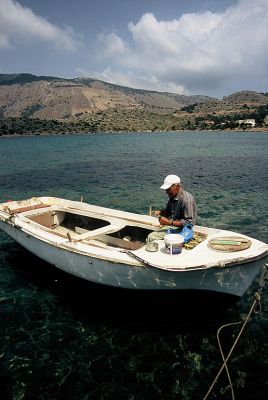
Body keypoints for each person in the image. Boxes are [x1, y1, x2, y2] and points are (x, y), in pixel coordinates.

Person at [147, 174, 197, 242]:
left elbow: (188, 222)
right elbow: (169, 212)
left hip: (183, 229)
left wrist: (169, 222)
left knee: (151, 237)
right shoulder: (173, 196)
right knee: (154, 233)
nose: (166, 192)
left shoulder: (187, 200)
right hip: (173, 225)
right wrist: (161, 212)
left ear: (177, 186)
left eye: (168, 189)